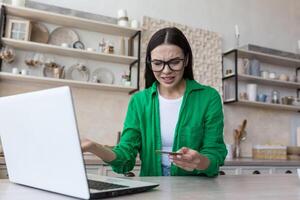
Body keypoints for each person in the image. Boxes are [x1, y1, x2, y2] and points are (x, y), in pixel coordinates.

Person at [81, 27, 227, 177]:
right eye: (158, 63)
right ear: (150, 63)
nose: (166, 71)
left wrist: (200, 161)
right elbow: (125, 158)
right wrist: (94, 147)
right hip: (153, 186)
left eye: (175, 62)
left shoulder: (208, 97)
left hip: (196, 188)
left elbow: (214, 153)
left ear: (186, 60)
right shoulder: (139, 101)